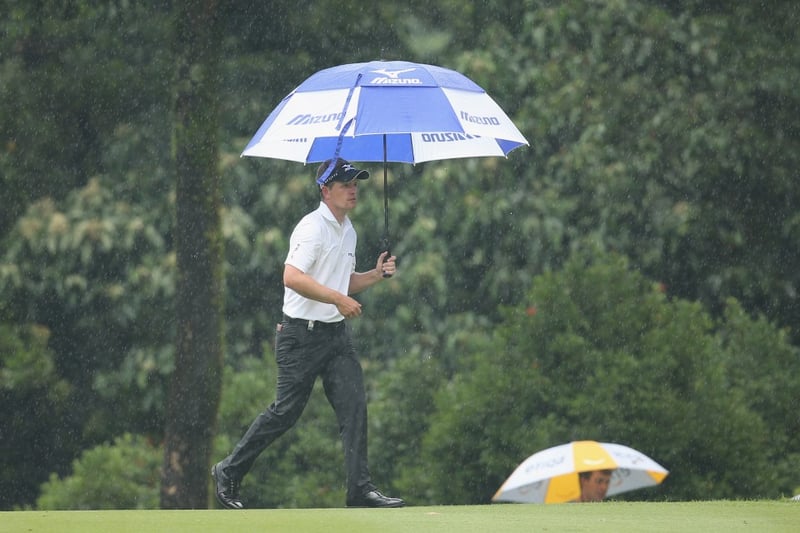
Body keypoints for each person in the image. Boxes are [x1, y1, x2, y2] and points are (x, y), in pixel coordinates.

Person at [211, 158, 404, 509]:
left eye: (356, 183)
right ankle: (228, 471)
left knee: (354, 407)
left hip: (335, 337)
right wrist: (338, 299)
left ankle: (359, 490)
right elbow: (293, 277)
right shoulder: (312, 228)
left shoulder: (348, 230)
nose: (353, 189)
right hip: (300, 336)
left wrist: (375, 275)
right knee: (285, 413)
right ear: (325, 190)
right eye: (346, 184)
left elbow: (341, 282)